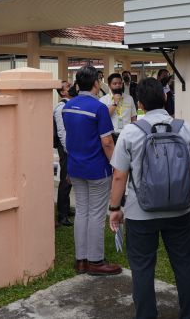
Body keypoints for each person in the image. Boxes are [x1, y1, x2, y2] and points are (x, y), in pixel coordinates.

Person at [108, 77, 190, 319]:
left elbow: (119, 176)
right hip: (180, 212)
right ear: (165, 97)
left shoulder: (130, 132)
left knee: (142, 269)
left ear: (140, 104)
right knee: (185, 266)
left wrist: (114, 208)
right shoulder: (184, 128)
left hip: (140, 213)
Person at [61, 65, 121, 276]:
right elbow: (107, 142)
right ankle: (95, 261)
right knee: (96, 214)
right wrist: (116, 166)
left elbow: (70, 137)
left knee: (82, 212)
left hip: (75, 167)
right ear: (96, 83)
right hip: (96, 169)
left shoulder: (67, 106)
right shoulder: (99, 108)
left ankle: (81, 260)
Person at [53, 80, 76, 227]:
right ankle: (62, 215)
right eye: (68, 86)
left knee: (69, 178)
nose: (71, 87)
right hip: (66, 147)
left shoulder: (69, 104)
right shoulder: (61, 107)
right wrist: (69, 149)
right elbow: (62, 132)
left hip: (69, 146)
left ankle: (66, 209)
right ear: (62, 92)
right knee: (65, 180)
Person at [99, 73, 137, 140]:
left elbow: (133, 118)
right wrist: (115, 103)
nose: (118, 85)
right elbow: (104, 117)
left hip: (127, 134)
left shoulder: (129, 98)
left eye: (120, 83)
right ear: (109, 85)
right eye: (115, 83)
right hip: (111, 135)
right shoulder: (103, 100)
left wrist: (133, 132)